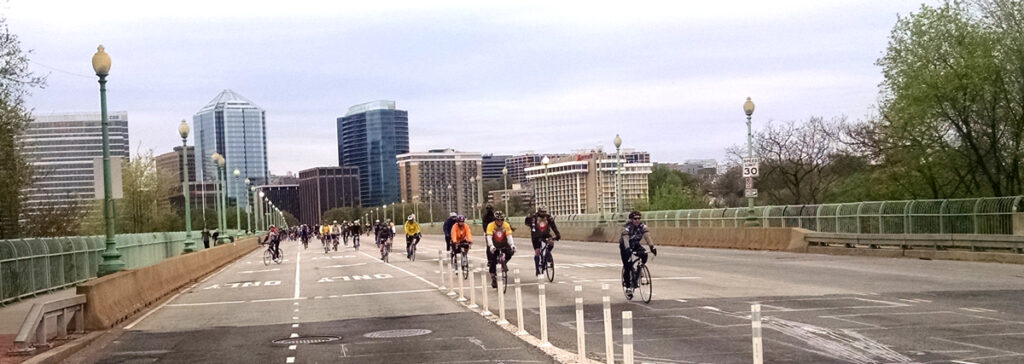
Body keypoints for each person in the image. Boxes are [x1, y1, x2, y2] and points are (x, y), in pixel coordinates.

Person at [620, 210, 657, 299]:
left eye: (638, 218)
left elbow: (647, 236)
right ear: (631, 219)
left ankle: (639, 268)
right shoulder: (627, 228)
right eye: (635, 219)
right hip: (625, 246)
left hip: (635, 244)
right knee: (627, 265)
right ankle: (628, 287)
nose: (637, 220)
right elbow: (625, 239)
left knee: (644, 255)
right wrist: (628, 249)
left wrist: (652, 247)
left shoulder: (642, 226)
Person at [526, 207, 561, 279]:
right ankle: (537, 269)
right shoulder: (534, 218)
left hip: (546, 234)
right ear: (538, 212)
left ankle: (547, 256)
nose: (544, 213)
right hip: (535, 236)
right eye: (542, 212)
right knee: (537, 252)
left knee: (551, 243)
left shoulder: (548, 218)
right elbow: (527, 223)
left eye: (545, 212)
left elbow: (553, 227)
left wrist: (557, 235)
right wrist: (528, 218)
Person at [485, 211, 515, 288]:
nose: (499, 221)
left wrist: (512, 245)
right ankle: (493, 277)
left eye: (501, 220)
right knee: (492, 260)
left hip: (504, 243)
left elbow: (509, 236)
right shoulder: (490, 225)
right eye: (498, 220)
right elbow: (489, 237)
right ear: (495, 220)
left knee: (510, 252)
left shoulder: (506, 225)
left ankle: (504, 262)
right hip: (494, 244)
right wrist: (491, 246)